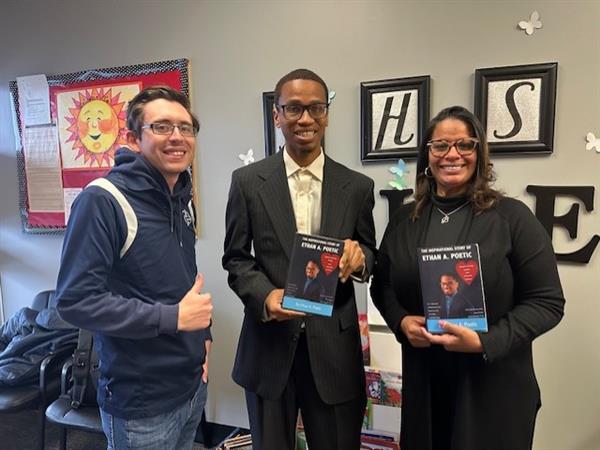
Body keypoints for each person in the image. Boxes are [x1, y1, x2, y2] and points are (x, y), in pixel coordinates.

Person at [370, 105, 565, 450]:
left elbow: (547, 301)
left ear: (479, 152)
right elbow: (382, 285)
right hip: (426, 384)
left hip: (494, 386)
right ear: (427, 155)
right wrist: (400, 321)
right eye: (440, 145)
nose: (452, 155)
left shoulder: (512, 218)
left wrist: (485, 341)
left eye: (464, 145)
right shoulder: (403, 221)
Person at [223, 68, 376, 450]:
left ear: (327, 114)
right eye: (293, 108)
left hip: (334, 352)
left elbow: (373, 255)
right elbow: (236, 258)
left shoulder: (357, 186)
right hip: (268, 347)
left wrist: (360, 260)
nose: (305, 119)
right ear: (277, 115)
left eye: (315, 108)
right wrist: (264, 297)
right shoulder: (247, 182)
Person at [55, 86, 213, 450]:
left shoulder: (180, 199)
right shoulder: (102, 201)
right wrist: (173, 318)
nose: (177, 137)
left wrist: (203, 341)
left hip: (190, 387)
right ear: (133, 138)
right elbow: (76, 301)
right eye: (161, 127)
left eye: (186, 128)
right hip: (141, 403)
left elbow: (183, 284)